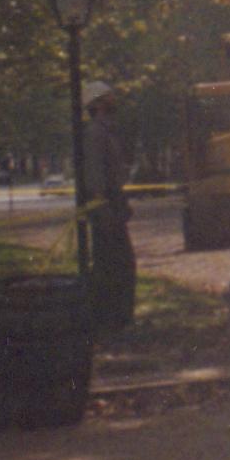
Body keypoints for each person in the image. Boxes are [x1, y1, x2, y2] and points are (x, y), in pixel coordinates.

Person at [78, 80, 135, 334]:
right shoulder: (95, 133)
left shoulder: (107, 131)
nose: (115, 100)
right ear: (99, 103)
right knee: (112, 266)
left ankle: (117, 319)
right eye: (109, 97)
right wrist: (104, 210)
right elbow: (96, 176)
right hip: (106, 209)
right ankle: (110, 320)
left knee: (118, 265)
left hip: (113, 206)